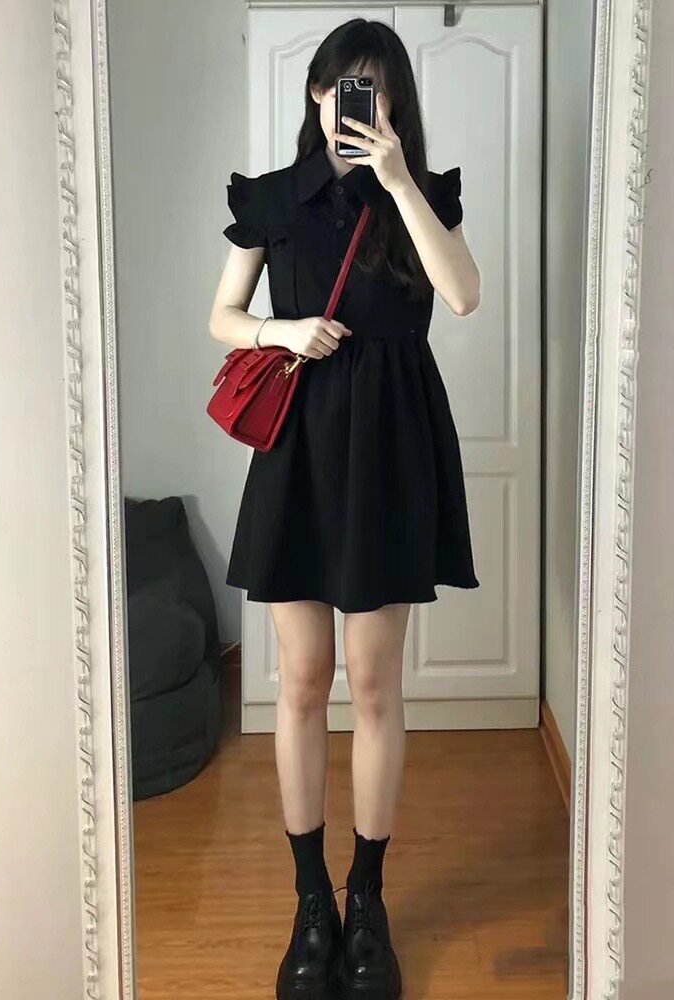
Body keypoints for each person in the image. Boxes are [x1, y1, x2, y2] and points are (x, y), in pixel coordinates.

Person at [208, 17, 481, 1000]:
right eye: (337, 87)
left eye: (372, 88)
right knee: (299, 681)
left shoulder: (423, 194)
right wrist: (282, 331)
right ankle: (310, 904)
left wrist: (400, 181)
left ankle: (368, 900)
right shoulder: (273, 201)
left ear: (395, 103)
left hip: (390, 452)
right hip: (299, 450)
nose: (349, 104)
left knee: (372, 686)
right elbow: (221, 316)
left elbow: (463, 296)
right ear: (315, 95)